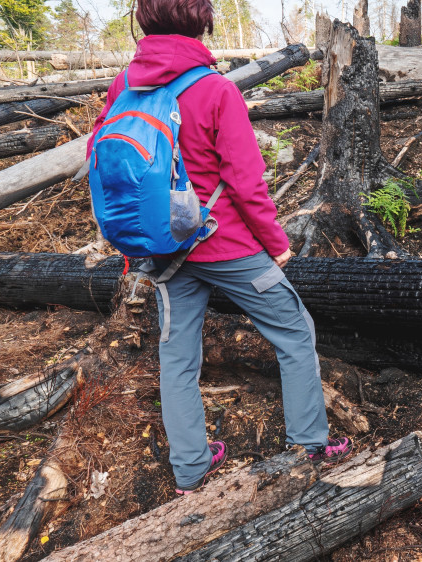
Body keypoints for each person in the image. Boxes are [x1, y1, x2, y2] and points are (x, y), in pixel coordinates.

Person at [86, 0, 351, 495]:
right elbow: (247, 183)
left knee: (178, 359)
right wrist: (277, 245)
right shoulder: (215, 89)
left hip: (163, 251)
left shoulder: (125, 84)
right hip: (226, 244)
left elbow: (104, 162)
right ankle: (310, 446)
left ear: (144, 20)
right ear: (202, 21)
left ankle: (190, 468)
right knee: (294, 333)